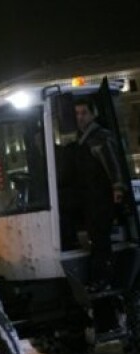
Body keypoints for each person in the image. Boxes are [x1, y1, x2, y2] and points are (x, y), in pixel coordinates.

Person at [73, 98, 126, 292]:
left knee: (101, 239)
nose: (80, 117)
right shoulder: (82, 139)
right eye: (77, 113)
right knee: (95, 238)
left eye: (83, 113)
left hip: (101, 198)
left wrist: (117, 189)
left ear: (93, 114)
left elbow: (113, 165)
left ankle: (104, 279)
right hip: (90, 198)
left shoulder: (100, 138)